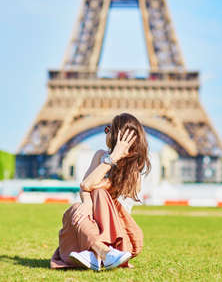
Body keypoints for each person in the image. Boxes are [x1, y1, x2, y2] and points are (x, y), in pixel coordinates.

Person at [50, 113, 150, 271]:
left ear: (118, 136)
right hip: (92, 229)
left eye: (109, 129)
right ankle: (100, 252)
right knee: (75, 209)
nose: (106, 132)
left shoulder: (134, 173)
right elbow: (85, 186)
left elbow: (90, 186)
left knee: (98, 193)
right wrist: (87, 202)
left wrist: (114, 157)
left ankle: (98, 251)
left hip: (121, 238)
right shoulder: (100, 156)